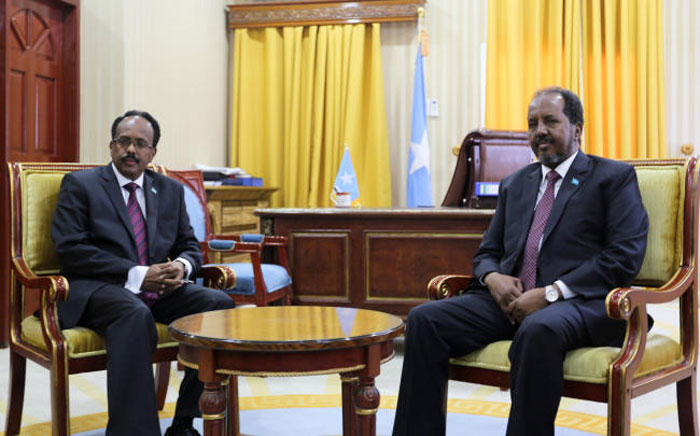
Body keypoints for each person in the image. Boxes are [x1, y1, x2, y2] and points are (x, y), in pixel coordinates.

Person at [392, 87, 649, 436]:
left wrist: (551, 293)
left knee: (538, 328)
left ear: (576, 128)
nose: (539, 130)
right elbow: (486, 253)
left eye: (550, 121)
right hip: (511, 301)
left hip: (584, 302)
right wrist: (493, 278)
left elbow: (624, 257)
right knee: (424, 320)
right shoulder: (516, 184)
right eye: (532, 123)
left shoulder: (612, 178)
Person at [51, 110, 236, 436]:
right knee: (133, 314)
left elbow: (189, 246)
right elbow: (71, 250)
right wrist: (137, 274)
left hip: (158, 289)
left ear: (153, 152)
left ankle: (185, 425)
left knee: (218, 304)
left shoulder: (169, 190)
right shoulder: (81, 185)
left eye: (140, 144)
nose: (131, 150)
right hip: (99, 288)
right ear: (111, 145)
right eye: (124, 142)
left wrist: (181, 266)